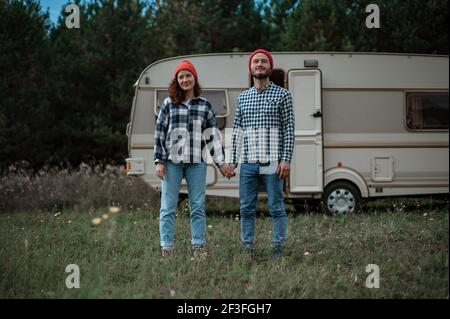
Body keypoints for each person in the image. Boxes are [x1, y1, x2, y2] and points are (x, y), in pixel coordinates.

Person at [154, 60, 232, 258]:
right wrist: (159, 161)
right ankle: (167, 248)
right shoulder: (168, 103)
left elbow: (212, 136)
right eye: (181, 76)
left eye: (188, 75)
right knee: (168, 207)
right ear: (176, 80)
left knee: (197, 206)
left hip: (196, 163)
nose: (185, 79)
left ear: (194, 78)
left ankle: (199, 247)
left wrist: (221, 163)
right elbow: (160, 133)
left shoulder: (205, 105)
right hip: (172, 163)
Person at [228, 49, 295, 258]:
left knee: (276, 206)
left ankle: (278, 249)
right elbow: (237, 131)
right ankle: (247, 248)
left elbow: (289, 129)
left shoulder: (283, 95)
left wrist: (286, 159)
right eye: (255, 61)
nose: (259, 64)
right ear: (250, 67)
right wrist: (233, 161)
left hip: (273, 162)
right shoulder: (243, 98)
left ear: (270, 67)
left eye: (264, 62)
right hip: (248, 162)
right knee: (246, 208)